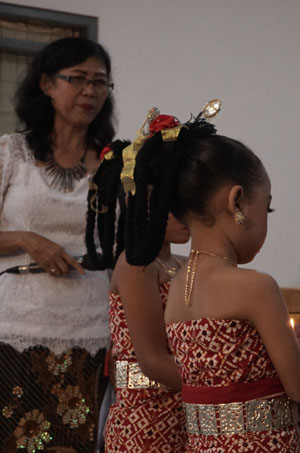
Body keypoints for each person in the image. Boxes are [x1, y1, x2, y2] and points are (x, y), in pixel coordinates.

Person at [120, 109, 300, 452]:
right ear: (236, 201)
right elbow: (299, 386)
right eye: (267, 208)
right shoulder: (256, 287)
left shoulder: (177, 287)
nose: (266, 220)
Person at [0, 37, 115, 451]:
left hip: (92, 327)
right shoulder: (10, 152)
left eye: (100, 82)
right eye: (78, 79)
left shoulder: (113, 164)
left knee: (76, 443)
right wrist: (27, 239)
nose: (90, 91)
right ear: (47, 84)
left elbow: (125, 245)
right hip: (15, 327)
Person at [84, 127, 190, 451]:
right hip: (146, 424)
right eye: (176, 202)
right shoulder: (135, 266)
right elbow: (153, 361)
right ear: (140, 199)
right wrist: (224, 387)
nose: (189, 213)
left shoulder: (184, 263)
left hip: (186, 415)